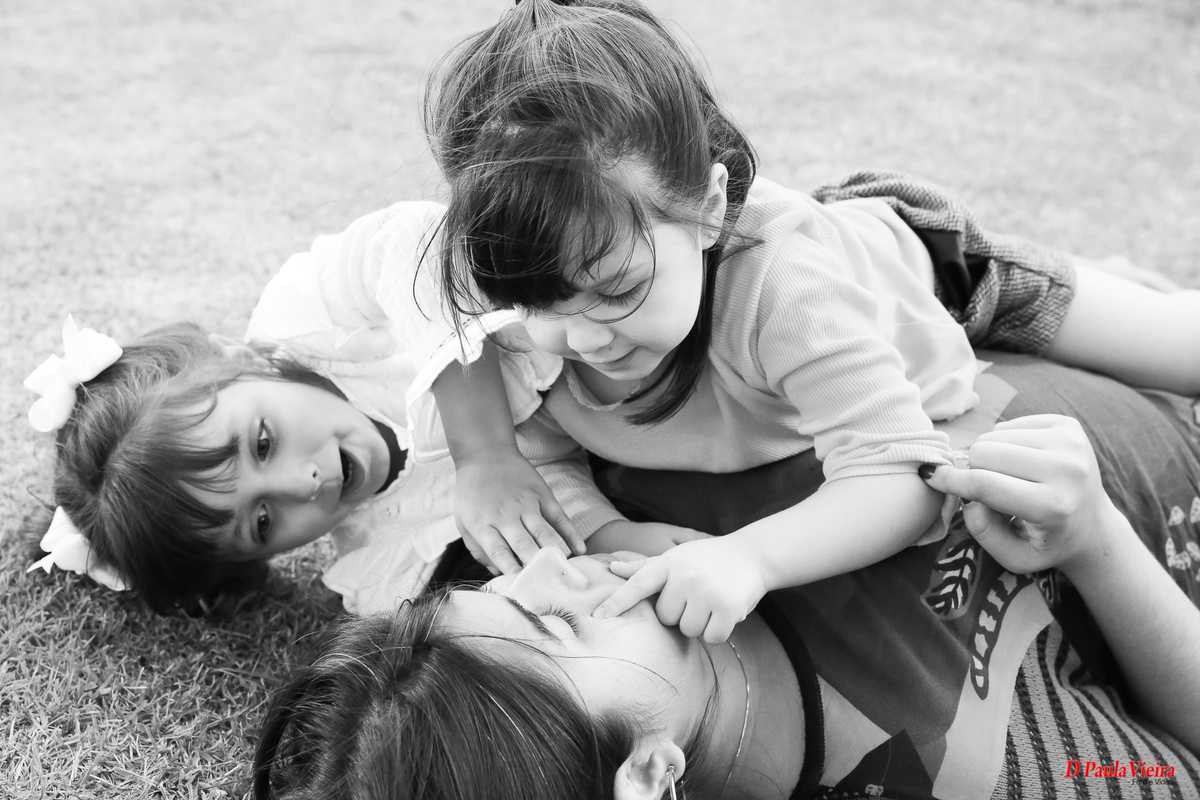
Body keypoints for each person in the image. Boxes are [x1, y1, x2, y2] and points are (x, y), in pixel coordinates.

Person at [419, 0, 1200, 642]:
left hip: (935, 272)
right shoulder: (518, 304)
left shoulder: (787, 293)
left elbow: (900, 478)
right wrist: (609, 533)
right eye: (542, 305)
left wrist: (751, 558)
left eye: (618, 291)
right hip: (808, 278)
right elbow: (542, 453)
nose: (583, 338)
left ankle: (1115, 284)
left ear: (708, 210)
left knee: (1179, 348)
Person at [251, 353, 1200, 800]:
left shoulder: (609, 485)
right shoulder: (960, 779)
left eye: (496, 591)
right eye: (558, 626)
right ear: (648, 773)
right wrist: (1098, 541)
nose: (549, 564)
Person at [22, 306, 596, 614]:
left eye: (262, 443)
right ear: (262, 558)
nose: (305, 483)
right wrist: (608, 535)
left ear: (237, 360)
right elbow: (546, 531)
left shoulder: (325, 319)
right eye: (262, 521)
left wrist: (484, 452)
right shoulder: (384, 566)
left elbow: (423, 245)